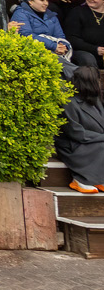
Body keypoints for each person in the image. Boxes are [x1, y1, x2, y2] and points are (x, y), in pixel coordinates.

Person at [10, 0, 86, 77]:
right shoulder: (20, 14)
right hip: (33, 51)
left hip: (53, 49)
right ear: (30, 1)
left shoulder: (51, 15)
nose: (46, 3)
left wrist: (62, 46)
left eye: (47, 0)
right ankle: (79, 75)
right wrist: (53, 46)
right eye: (42, 0)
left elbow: (60, 35)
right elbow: (26, 35)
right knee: (52, 59)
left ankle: (79, 75)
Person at [57, 65, 104, 194]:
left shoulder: (95, 99)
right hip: (73, 144)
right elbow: (76, 133)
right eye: (97, 80)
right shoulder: (68, 102)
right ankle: (81, 179)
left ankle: (99, 179)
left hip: (92, 139)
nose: (99, 83)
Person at [63, 0, 104, 67]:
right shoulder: (77, 12)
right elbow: (72, 38)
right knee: (88, 59)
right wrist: (95, 49)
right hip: (82, 51)